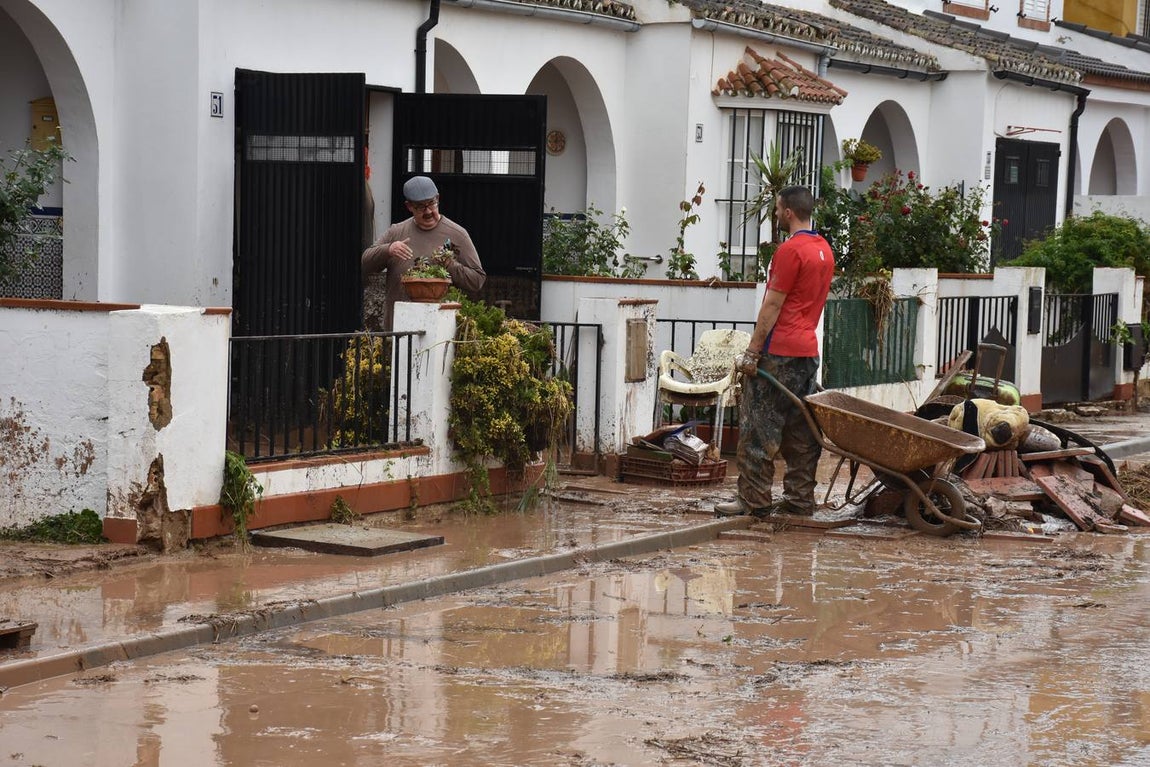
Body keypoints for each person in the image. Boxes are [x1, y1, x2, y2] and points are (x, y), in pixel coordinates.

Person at [715, 185, 835, 518]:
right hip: (807, 353)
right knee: (802, 431)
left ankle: (753, 501)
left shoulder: (789, 251)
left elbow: (773, 304)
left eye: (778, 208)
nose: (776, 213)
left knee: (758, 430)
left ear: (788, 212)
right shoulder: (824, 249)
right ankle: (799, 500)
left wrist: (753, 352)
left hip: (778, 351)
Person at [361, 175, 486, 329]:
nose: (428, 211)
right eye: (420, 207)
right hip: (397, 328)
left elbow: (477, 280)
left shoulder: (457, 234)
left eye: (432, 204)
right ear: (409, 206)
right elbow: (363, 263)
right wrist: (388, 249)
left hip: (438, 331)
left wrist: (450, 264)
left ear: (438, 198)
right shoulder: (396, 232)